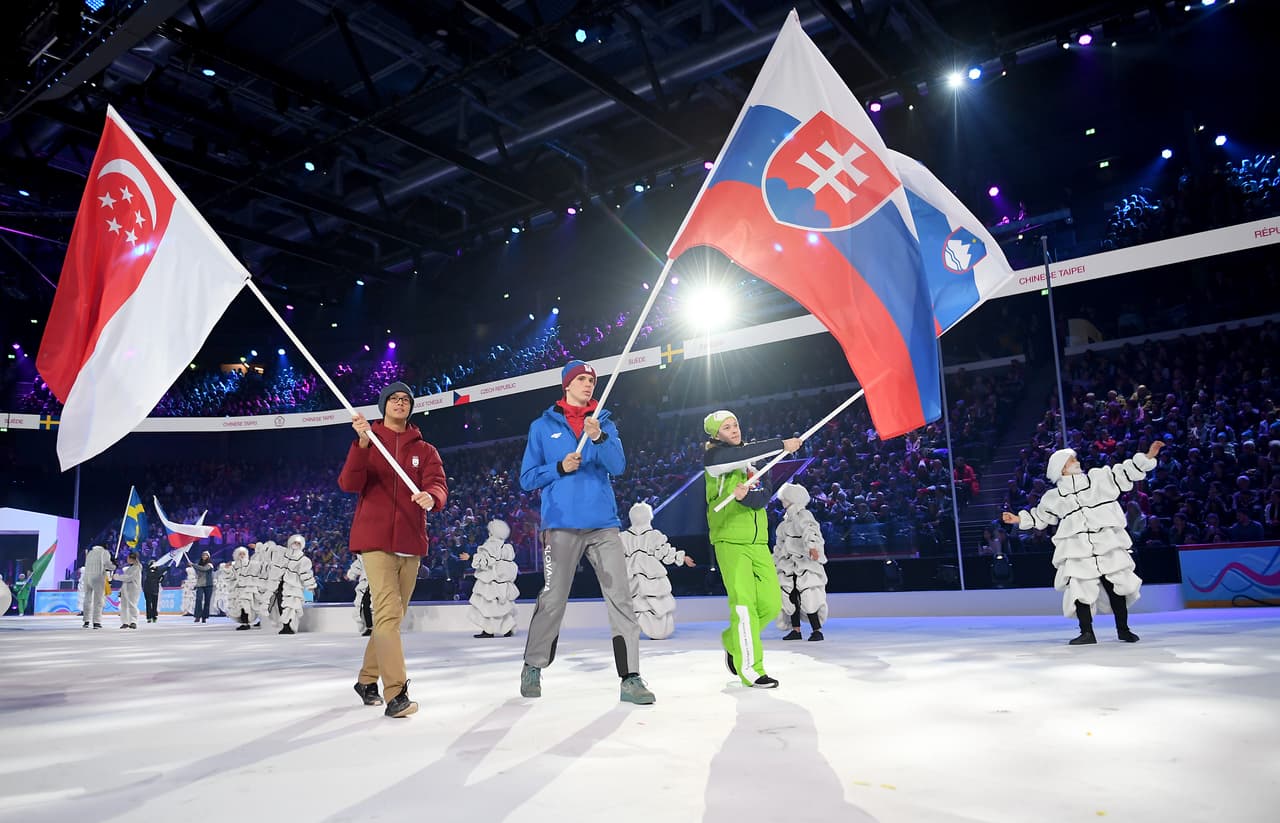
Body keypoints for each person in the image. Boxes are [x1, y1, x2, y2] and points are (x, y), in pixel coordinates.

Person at [518, 360, 654, 704]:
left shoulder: (603, 423)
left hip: (603, 524)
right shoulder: (541, 427)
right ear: (567, 385)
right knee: (553, 597)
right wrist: (558, 467)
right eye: (580, 379)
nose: (588, 384)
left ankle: (630, 677)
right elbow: (527, 478)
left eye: (591, 380)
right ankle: (533, 665)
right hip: (560, 525)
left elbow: (618, 466)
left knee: (621, 597)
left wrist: (599, 438)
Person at [339, 381, 448, 719]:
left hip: (410, 541)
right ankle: (396, 694)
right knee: (387, 614)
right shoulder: (369, 442)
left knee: (393, 618)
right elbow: (349, 483)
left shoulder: (425, 450)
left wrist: (432, 496)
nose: (400, 403)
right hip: (374, 540)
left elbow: (438, 484)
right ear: (384, 405)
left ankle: (366, 680)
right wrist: (361, 444)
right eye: (394, 399)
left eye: (405, 399)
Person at [1003, 442, 1163, 645]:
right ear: (1061, 468)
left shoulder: (1098, 480)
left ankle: (1123, 630)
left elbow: (1123, 473)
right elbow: (1041, 516)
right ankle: (1087, 632)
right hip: (1077, 548)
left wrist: (1147, 457)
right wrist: (1018, 519)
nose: (1076, 462)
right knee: (1080, 590)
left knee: (1117, 586)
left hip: (1106, 543)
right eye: (1071, 460)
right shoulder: (1054, 497)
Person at [703, 410, 802, 687]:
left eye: (735, 424)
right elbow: (736, 457)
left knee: (771, 604)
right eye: (726, 427)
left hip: (758, 542)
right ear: (716, 435)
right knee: (744, 607)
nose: (734, 430)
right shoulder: (714, 459)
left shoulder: (754, 462)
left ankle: (731, 640)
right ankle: (751, 669)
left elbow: (763, 497)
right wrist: (781, 445)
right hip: (730, 541)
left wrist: (746, 497)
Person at [620, 501, 695, 640]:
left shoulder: (624, 537)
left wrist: (681, 557)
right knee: (654, 602)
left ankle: (633, 630)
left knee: (635, 602)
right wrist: (682, 558)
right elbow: (664, 552)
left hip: (632, 573)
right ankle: (656, 631)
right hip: (649, 573)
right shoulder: (653, 536)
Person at [773, 482, 828, 642]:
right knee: (790, 596)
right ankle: (795, 629)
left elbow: (810, 530)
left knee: (809, 595)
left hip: (805, 562)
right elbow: (780, 544)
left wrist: (812, 546)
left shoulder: (804, 515)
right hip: (788, 564)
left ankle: (816, 630)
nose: (782, 502)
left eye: (785, 498)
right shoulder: (785, 522)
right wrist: (775, 560)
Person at [467, 520, 517, 639]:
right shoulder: (507, 547)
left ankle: (488, 631)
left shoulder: (489, 546)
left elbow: (484, 562)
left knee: (489, 606)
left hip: (490, 582)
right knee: (502, 606)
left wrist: (470, 558)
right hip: (503, 582)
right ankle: (507, 629)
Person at [269, 534, 317, 634]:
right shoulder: (282, 554)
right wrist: (258, 547)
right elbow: (271, 550)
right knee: (281, 605)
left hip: (294, 587)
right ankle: (285, 626)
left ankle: (290, 626)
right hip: (281, 585)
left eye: (298, 543)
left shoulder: (303, 560)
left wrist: (310, 586)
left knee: (291, 607)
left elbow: (306, 574)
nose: (296, 544)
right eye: (294, 542)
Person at [82, 544, 112, 629]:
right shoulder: (104, 552)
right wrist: (114, 565)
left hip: (87, 578)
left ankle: (86, 620)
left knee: (87, 599)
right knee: (98, 600)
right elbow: (108, 565)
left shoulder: (90, 553)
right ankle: (96, 622)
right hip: (97, 578)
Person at [112, 551, 142, 629]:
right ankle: (125, 622)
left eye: (128, 558)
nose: (127, 559)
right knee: (124, 606)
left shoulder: (137, 567)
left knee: (132, 605)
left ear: (132, 559)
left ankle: (133, 621)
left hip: (133, 589)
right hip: (125, 589)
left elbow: (129, 578)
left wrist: (117, 577)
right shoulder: (130, 568)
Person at [228, 546, 256, 630]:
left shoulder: (250, 564)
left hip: (247, 589)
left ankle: (246, 623)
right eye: (240, 554)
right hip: (237, 590)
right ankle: (244, 622)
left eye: (243, 554)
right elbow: (231, 577)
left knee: (246, 606)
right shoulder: (234, 565)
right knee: (239, 607)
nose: (242, 555)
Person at [345, 554, 372, 636]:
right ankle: (370, 627)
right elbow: (358, 564)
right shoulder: (362, 556)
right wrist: (351, 574)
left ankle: (384, 626)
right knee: (365, 604)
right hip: (368, 582)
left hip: (380, 581)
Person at [192, 551, 215, 623]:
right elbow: (198, 573)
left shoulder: (210, 565)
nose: (204, 556)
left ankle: (204, 617)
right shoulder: (198, 565)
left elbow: (204, 569)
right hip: (200, 585)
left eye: (206, 555)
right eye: (203, 555)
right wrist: (195, 567)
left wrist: (193, 565)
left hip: (208, 585)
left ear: (208, 557)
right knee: (198, 600)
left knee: (207, 601)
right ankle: (197, 616)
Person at [142, 559, 165, 623]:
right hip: (148, 590)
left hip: (155, 589)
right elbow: (151, 576)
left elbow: (160, 580)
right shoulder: (147, 571)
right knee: (148, 603)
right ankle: (149, 617)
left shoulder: (158, 572)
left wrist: (162, 577)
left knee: (155, 604)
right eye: (153, 564)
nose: (155, 565)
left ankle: (154, 616)